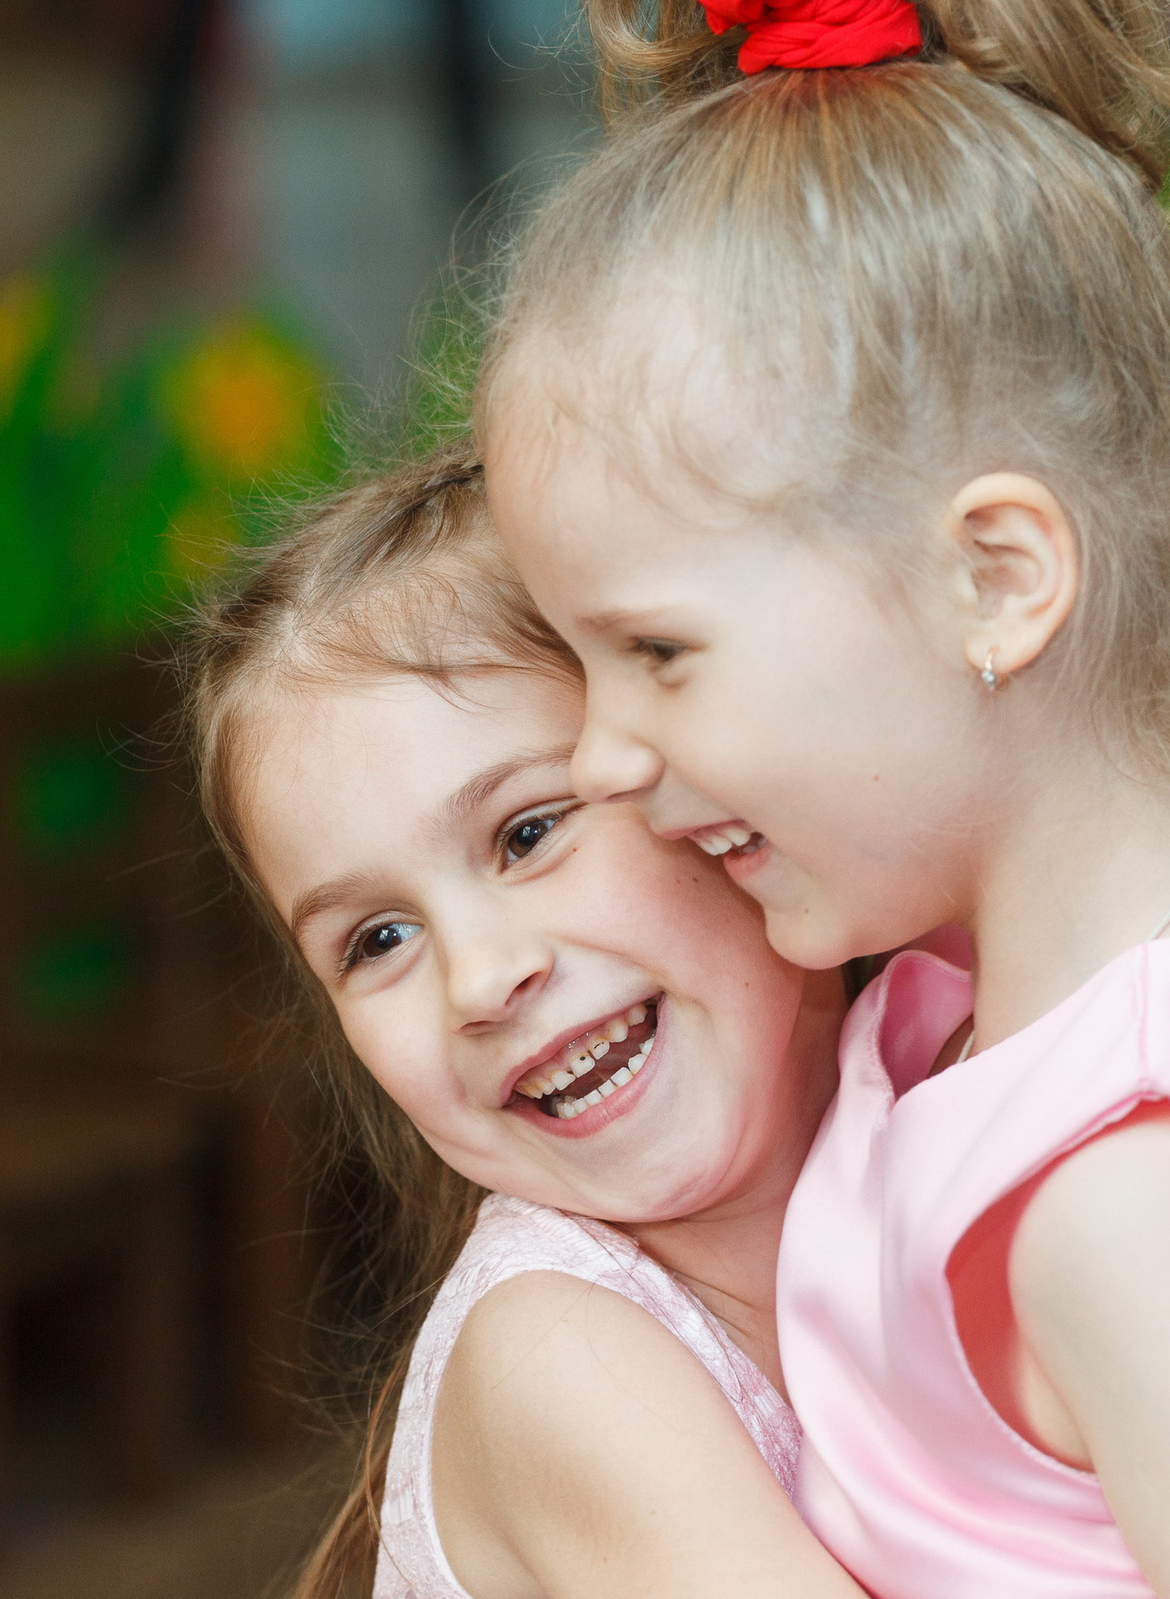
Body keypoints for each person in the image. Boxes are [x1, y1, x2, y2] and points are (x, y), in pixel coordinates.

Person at [475, 0, 1170, 1596]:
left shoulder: (1141, 1200)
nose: (603, 754)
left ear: (997, 578)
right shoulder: (1117, 957)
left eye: (659, 653)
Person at [180, 450, 874, 1599]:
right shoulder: (557, 1359)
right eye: (376, 942)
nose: (479, 980)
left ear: (718, 775)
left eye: (526, 833)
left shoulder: (960, 1089)